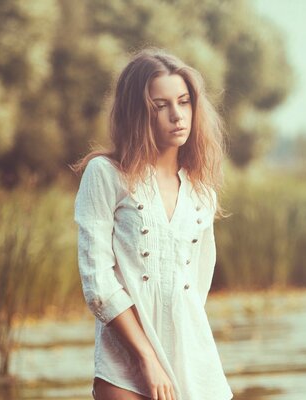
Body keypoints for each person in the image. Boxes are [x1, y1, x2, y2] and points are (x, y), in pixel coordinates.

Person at [72, 48, 233, 400]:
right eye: (161, 106)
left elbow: (195, 287)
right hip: (123, 368)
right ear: (137, 112)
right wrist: (147, 357)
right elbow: (98, 282)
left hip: (194, 365)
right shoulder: (106, 175)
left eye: (184, 101)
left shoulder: (202, 192)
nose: (177, 115)